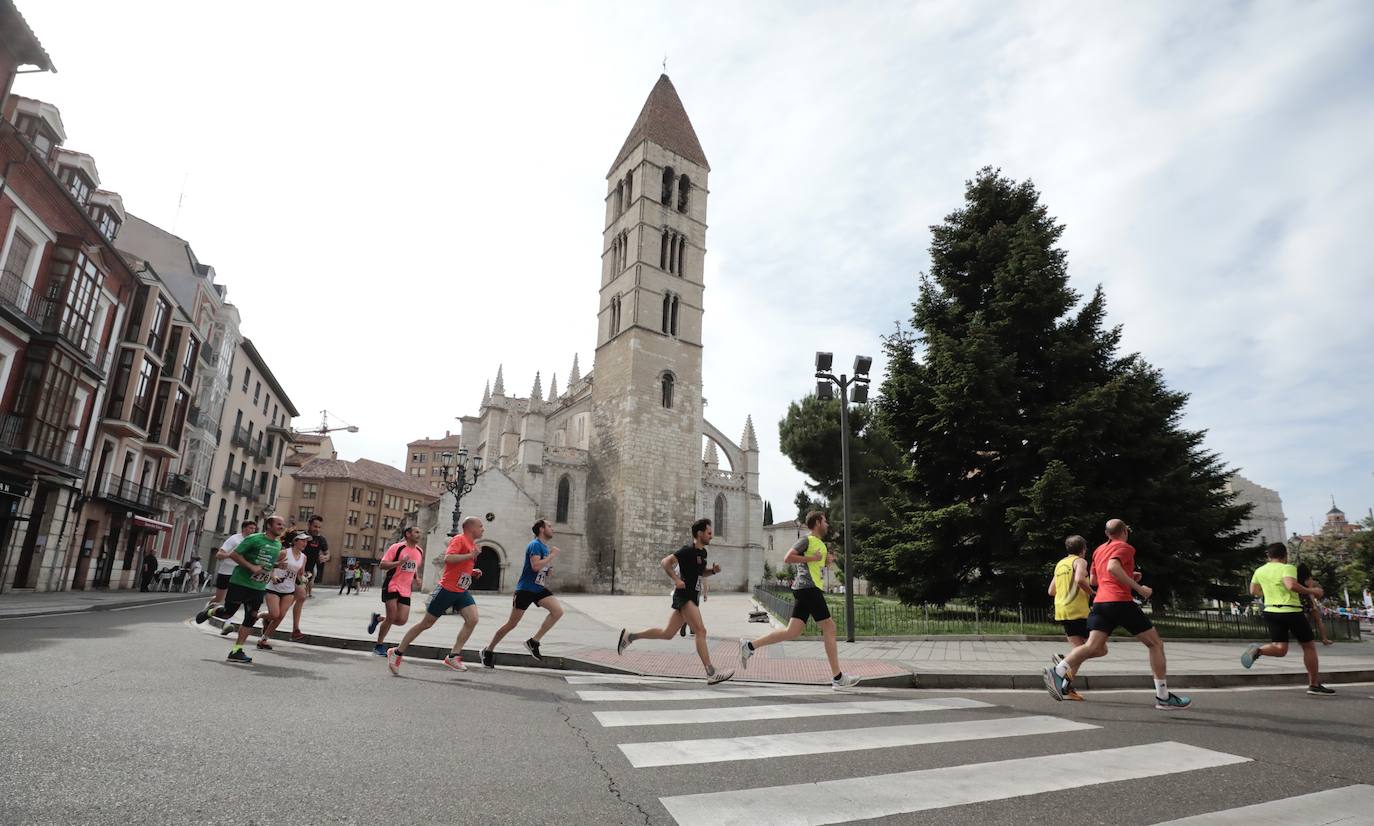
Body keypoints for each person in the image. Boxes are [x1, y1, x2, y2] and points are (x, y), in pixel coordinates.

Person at [1043, 519, 1191, 710]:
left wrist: (1130, 574)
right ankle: (1163, 696)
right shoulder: (1124, 546)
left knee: (1092, 646)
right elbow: (1113, 567)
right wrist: (1139, 588)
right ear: (1125, 532)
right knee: (1155, 644)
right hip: (1120, 602)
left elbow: (1096, 579)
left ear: (1106, 534)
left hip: (1100, 604)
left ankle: (1059, 670)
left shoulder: (1098, 551)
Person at [737, 511, 858, 689]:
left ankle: (749, 646)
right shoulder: (807, 540)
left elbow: (815, 563)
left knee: (792, 632)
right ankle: (838, 677)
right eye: (825, 521)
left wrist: (825, 561)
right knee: (830, 627)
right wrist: (813, 558)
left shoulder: (819, 544)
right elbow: (788, 557)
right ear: (817, 522)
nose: (827, 525)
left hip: (807, 589)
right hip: (808, 588)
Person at [617, 518, 734, 686]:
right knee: (701, 631)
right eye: (709, 533)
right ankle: (711, 672)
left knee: (667, 633)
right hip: (684, 596)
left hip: (692, 596)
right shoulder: (687, 551)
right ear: (700, 533)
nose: (711, 536)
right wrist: (676, 579)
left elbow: (700, 574)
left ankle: (630, 636)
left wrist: (713, 571)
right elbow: (665, 562)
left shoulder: (703, 553)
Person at [387, 516, 485, 675]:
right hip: (446, 589)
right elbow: (449, 559)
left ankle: (453, 656)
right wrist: (469, 556)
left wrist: (472, 571)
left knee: (473, 619)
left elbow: (460, 565)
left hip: (461, 590)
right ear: (471, 528)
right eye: (480, 526)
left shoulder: (472, 544)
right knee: (426, 624)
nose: (483, 529)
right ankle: (396, 652)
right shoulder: (459, 539)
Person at [1240, 543, 1335, 695]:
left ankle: (1257, 650)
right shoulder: (1287, 567)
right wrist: (1313, 591)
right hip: (1291, 611)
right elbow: (1290, 585)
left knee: (1280, 648)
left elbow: (1254, 591)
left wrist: (1271, 591)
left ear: (1268, 556)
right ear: (1285, 555)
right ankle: (1314, 685)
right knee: (1308, 646)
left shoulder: (1260, 570)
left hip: (1270, 610)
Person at [193, 516, 287, 664]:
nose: (282, 527)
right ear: (269, 525)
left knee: (251, 618)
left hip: (258, 587)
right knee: (228, 613)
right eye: (279, 524)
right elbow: (234, 555)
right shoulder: (254, 539)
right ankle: (211, 611)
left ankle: (236, 650)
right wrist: (251, 567)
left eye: (283, 524)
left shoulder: (277, 544)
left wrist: (276, 565)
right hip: (240, 583)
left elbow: (265, 564)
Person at [481, 519, 565, 668]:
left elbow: (542, 569)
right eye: (549, 526)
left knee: (557, 611)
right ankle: (488, 651)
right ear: (541, 529)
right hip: (525, 589)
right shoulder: (535, 545)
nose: (553, 529)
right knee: (512, 623)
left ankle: (534, 642)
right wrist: (552, 556)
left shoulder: (545, 548)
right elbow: (535, 566)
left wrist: (549, 568)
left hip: (538, 588)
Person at [1045, 535, 1093, 701]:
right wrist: (1093, 593)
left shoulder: (1060, 564)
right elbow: (1080, 579)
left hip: (1063, 611)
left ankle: (1066, 687)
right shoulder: (1080, 562)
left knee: (1078, 651)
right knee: (1094, 647)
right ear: (1083, 550)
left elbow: (1051, 591)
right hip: (1078, 611)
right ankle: (1061, 665)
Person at [368, 527, 425, 656]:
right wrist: (399, 562)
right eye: (416, 532)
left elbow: (413, 566)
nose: (419, 535)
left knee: (401, 620)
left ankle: (378, 618)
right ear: (408, 534)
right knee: (392, 616)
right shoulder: (397, 547)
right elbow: (382, 565)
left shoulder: (419, 551)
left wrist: (417, 577)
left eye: (419, 532)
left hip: (406, 588)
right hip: (392, 585)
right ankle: (379, 646)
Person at [258, 532, 308, 650]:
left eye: (306, 541)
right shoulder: (284, 553)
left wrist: (304, 579)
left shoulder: (303, 557)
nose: (305, 543)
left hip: (289, 590)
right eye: (302, 540)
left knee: (280, 616)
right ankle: (260, 615)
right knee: (275, 614)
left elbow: (300, 574)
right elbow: (270, 565)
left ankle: (263, 640)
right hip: (274, 587)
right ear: (295, 541)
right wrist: (273, 576)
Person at [290, 516, 330, 640]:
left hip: (306, 573)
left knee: (301, 597)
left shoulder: (321, 539)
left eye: (319, 527)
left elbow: (327, 552)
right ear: (309, 525)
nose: (317, 529)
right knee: (290, 600)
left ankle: (295, 629)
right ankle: (272, 618)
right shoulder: (299, 536)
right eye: (315, 526)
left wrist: (325, 557)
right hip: (292, 571)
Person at [211, 520, 257, 610]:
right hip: (226, 572)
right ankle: (208, 608)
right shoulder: (234, 539)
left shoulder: (253, 541)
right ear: (244, 528)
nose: (253, 530)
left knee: (233, 599)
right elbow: (219, 555)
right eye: (251, 528)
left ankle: (226, 617)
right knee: (218, 598)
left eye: (254, 529)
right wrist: (231, 555)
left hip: (239, 574)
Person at [1295, 561, 1333, 646]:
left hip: (1299, 601)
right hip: (1308, 601)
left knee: (1302, 622)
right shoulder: (1308, 579)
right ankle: (1324, 639)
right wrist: (1314, 604)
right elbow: (1311, 592)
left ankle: (1301, 639)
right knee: (1318, 620)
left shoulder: (1295, 579)